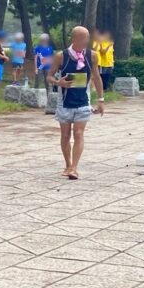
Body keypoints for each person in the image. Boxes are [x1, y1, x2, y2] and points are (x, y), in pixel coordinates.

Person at [51, 25, 105, 180]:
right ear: (73, 39)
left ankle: (74, 167)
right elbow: (49, 76)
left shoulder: (92, 56)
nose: (85, 41)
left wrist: (101, 100)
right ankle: (68, 164)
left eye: (87, 38)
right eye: (82, 38)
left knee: (79, 133)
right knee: (65, 134)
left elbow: (96, 77)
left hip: (83, 101)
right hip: (65, 102)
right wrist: (58, 82)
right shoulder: (61, 56)